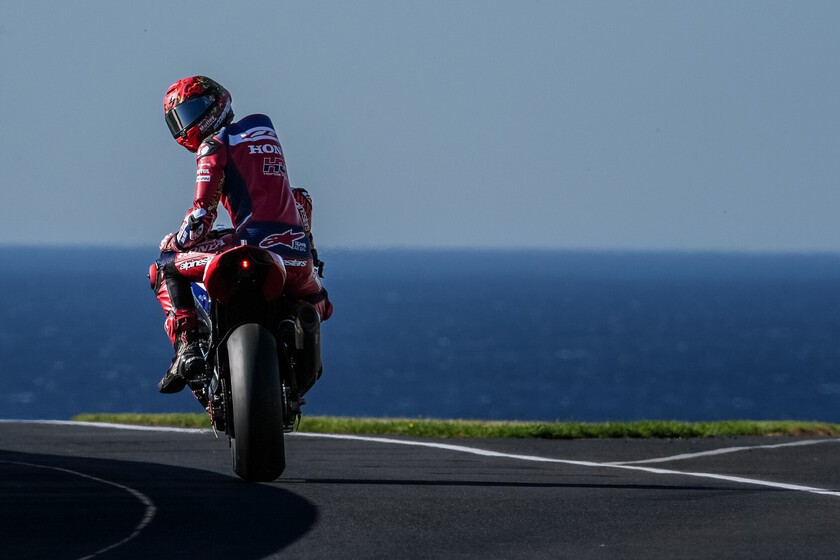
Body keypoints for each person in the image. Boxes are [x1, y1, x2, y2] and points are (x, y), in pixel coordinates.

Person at [150, 75, 332, 394]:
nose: (189, 124)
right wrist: (310, 252)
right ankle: (298, 324)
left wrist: (175, 242)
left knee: (163, 266)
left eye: (194, 110)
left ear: (217, 102)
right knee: (321, 300)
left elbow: (201, 218)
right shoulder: (264, 133)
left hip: (253, 247)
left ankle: (188, 347)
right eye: (180, 119)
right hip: (296, 259)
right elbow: (300, 199)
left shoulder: (214, 145)